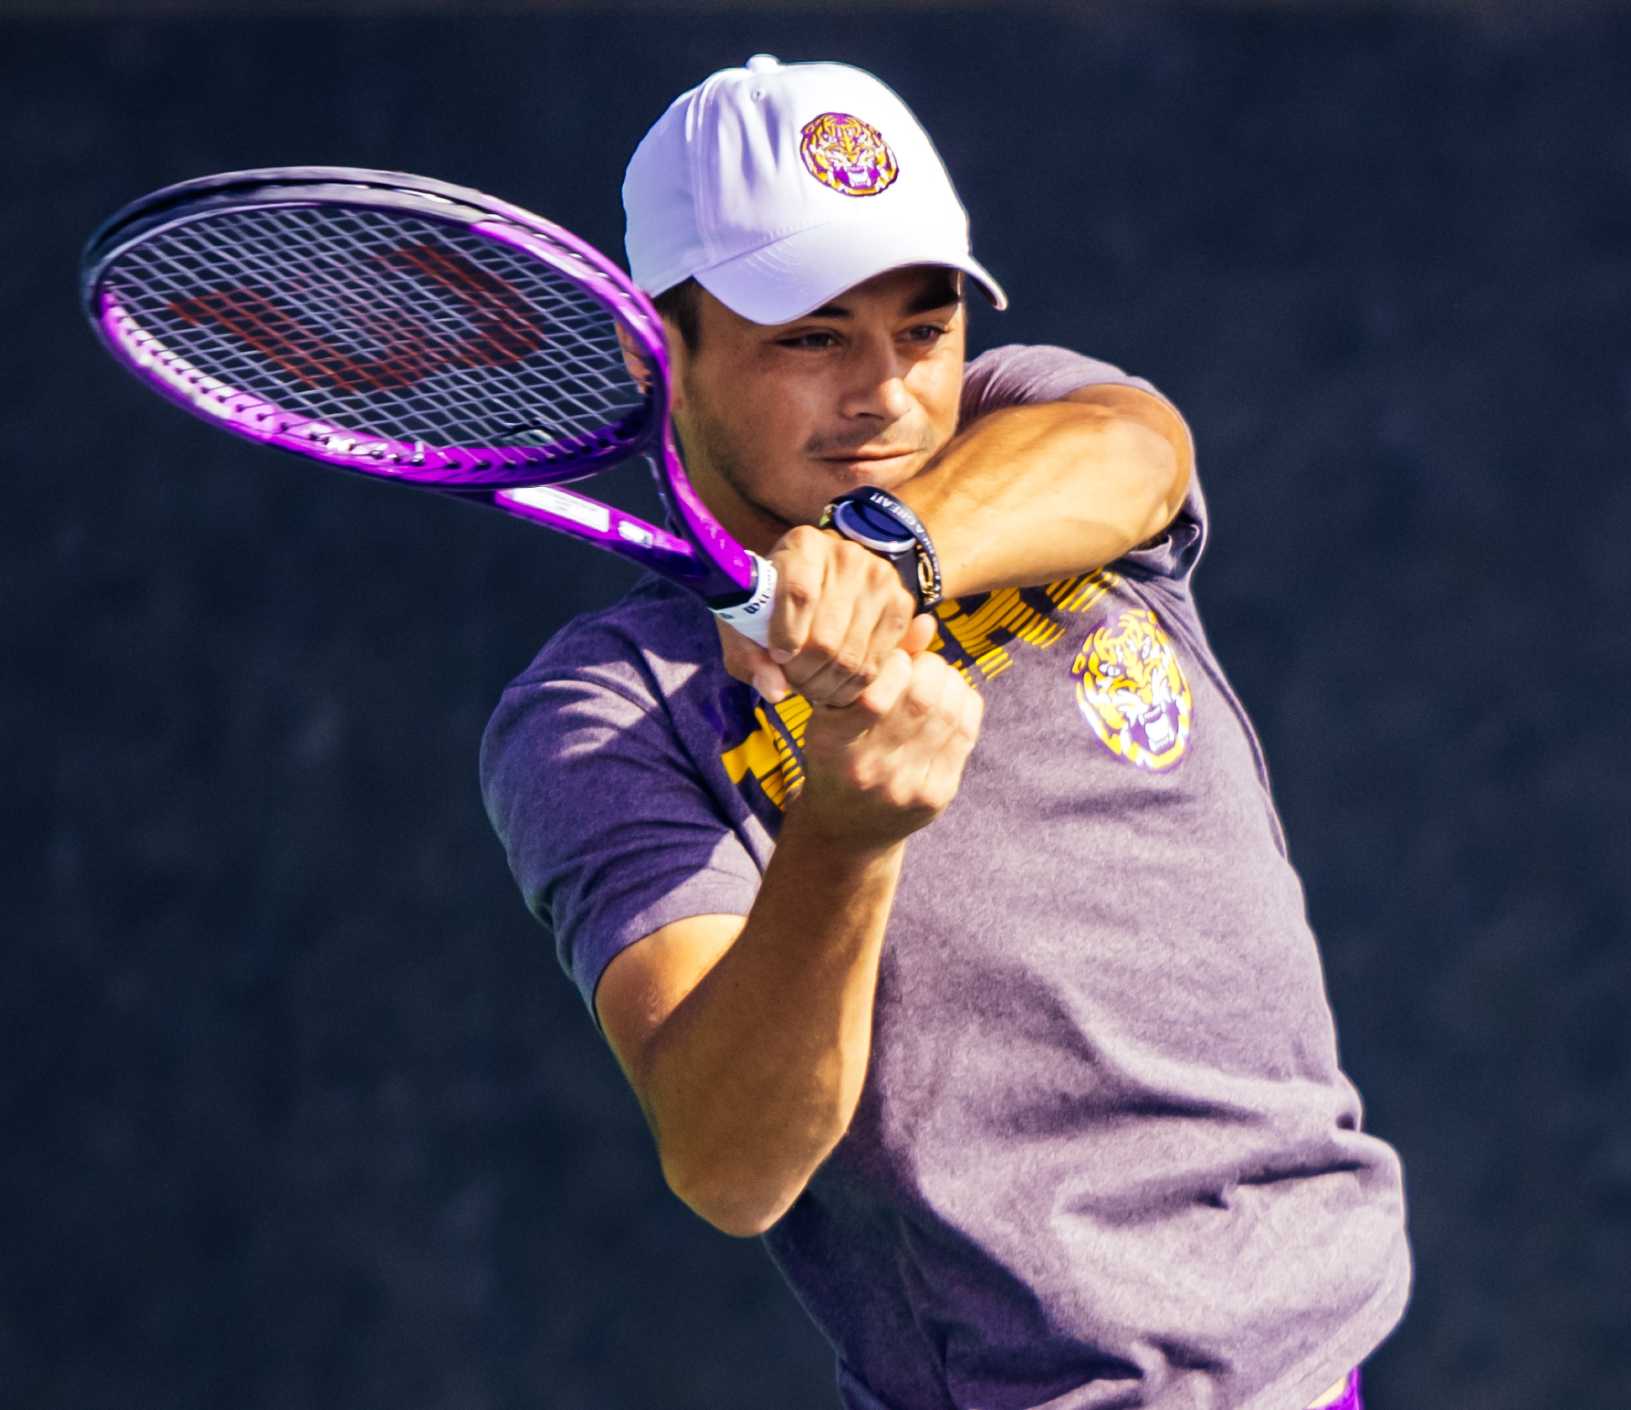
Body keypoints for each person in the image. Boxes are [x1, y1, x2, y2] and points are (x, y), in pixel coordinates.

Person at [479, 54, 1411, 1410]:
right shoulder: (603, 710)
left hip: (1324, 1370)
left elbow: (1137, 451)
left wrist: (891, 552)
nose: (885, 394)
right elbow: (730, 1161)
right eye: (810, 335)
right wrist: (845, 837)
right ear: (654, 351)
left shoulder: (1021, 422)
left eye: (921, 329)